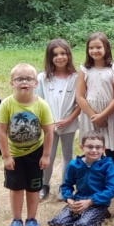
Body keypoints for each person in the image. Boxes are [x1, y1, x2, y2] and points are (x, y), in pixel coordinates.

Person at [0, 63, 54, 226]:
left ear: (36, 83)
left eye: (29, 79)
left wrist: (46, 155)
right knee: (16, 188)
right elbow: (1, 131)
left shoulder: (41, 105)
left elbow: (49, 132)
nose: (24, 82)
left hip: (36, 153)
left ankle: (31, 219)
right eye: (19, 79)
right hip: (14, 154)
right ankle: (16, 219)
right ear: (11, 83)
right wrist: (6, 156)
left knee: (33, 188)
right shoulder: (6, 104)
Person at [37, 39, 81, 203]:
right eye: (55, 54)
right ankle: (44, 185)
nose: (60, 57)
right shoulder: (43, 78)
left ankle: (65, 186)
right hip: (49, 125)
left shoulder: (76, 77)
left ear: (69, 55)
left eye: (63, 53)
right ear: (50, 57)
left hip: (69, 124)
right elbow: (38, 101)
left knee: (67, 155)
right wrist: (47, 123)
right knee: (48, 154)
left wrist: (69, 120)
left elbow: (80, 103)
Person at [48, 133, 114, 226]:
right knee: (58, 223)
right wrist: (69, 200)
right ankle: (83, 215)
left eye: (98, 147)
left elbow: (112, 188)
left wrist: (90, 202)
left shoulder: (108, 165)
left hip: (98, 203)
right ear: (82, 147)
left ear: (103, 149)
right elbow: (66, 185)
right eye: (90, 147)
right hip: (78, 202)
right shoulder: (74, 165)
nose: (94, 150)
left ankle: (102, 214)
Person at [76, 33, 114, 173]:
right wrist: (94, 116)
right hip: (89, 114)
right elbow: (79, 97)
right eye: (91, 48)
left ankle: (112, 178)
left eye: (98, 47)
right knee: (91, 148)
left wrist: (103, 116)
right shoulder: (84, 70)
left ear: (106, 48)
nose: (94, 51)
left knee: (110, 149)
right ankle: (92, 177)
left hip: (109, 114)